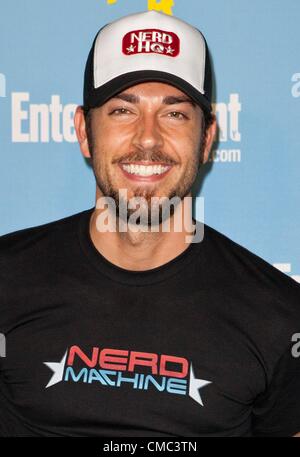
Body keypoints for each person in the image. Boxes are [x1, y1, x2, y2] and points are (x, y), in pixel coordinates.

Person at [0, 10, 300, 438]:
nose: (147, 138)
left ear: (207, 139)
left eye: (175, 114)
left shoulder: (282, 316)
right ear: (84, 131)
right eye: (123, 110)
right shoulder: (7, 279)